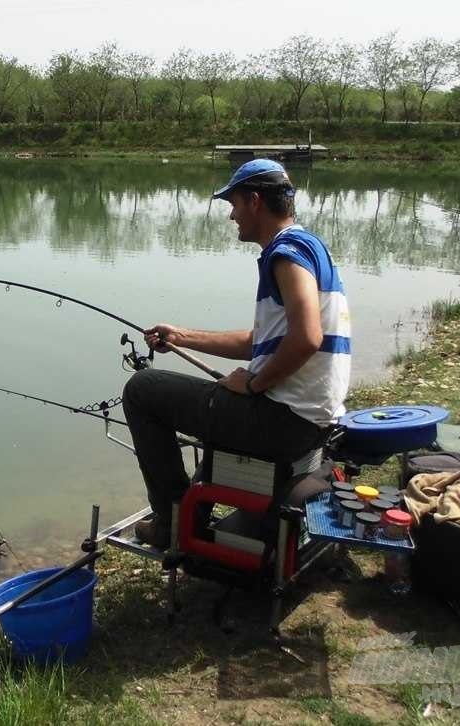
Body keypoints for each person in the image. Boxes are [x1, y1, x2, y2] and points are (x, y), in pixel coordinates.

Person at [123, 159, 351, 548]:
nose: (232, 215)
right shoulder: (309, 246)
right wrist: (181, 337)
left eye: (235, 203)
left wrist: (255, 384)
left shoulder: (285, 253)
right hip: (308, 420)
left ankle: (171, 523)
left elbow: (308, 337)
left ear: (255, 200)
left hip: (281, 420)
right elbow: (258, 341)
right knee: (208, 398)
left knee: (142, 390)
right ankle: (191, 511)